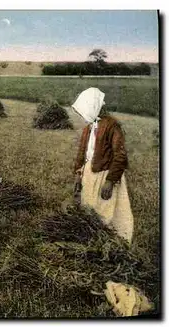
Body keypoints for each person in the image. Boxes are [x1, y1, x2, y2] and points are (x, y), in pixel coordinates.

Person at [72, 87, 134, 244]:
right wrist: (78, 176)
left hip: (105, 175)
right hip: (89, 175)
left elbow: (120, 155)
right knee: (90, 210)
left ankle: (112, 243)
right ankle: (93, 241)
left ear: (93, 106)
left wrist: (110, 181)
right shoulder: (89, 128)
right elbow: (82, 155)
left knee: (107, 211)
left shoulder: (112, 126)